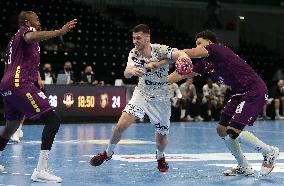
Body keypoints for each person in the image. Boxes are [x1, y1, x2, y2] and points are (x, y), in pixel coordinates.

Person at [89, 24, 190, 172]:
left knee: (162, 137)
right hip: (142, 93)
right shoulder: (134, 53)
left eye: (138, 38)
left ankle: (160, 156)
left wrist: (181, 59)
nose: (135, 41)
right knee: (120, 126)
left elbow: (179, 54)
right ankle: (108, 152)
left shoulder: (160, 49)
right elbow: (126, 72)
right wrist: (132, 71)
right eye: (133, 38)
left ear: (147, 37)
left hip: (161, 98)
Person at [182, 30, 279, 176]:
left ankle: (269, 152)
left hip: (253, 90)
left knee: (233, 131)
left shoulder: (217, 48)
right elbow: (183, 74)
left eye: (199, 43)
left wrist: (173, 53)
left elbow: (193, 53)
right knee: (221, 129)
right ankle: (244, 166)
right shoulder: (206, 64)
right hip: (238, 93)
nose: (197, 47)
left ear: (209, 43)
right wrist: (161, 80)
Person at [0, 11, 77, 182]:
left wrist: (36, 77)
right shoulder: (25, 32)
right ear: (27, 22)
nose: (39, 20)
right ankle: (40, 170)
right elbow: (31, 37)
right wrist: (60, 32)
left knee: (11, 126)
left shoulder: (13, 41)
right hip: (20, 83)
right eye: (36, 18)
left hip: (8, 84)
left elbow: (14, 63)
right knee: (53, 120)